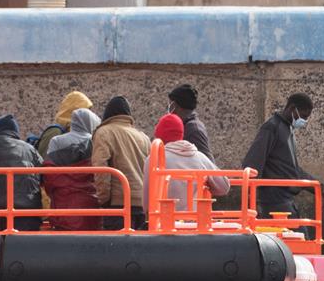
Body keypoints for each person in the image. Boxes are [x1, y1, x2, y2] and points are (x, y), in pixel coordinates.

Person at [241, 93, 324, 219]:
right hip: (273, 201)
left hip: (285, 199)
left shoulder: (288, 131)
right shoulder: (272, 128)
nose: (304, 121)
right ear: (292, 108)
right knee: (301, 234)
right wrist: (252, 203)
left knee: (301, 234)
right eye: (303, 116)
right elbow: (252, 164)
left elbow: (292, 169)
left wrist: (318, 187)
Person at [89, 95, 152, 230]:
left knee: (117, 249)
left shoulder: (104, 132)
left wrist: (103, 199)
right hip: (142, 205)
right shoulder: (143, 137)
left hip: (117, 204)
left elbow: (101, 169)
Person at [147, 112, 229, 216]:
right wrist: (207, 185)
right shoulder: (199, 157)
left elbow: (147, 201)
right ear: (181, 133)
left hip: (163, 221)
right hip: (196, 222)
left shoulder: (152, 159)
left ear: (159, 135)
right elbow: (224, 186)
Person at [41, 108, 101, 231]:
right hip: (91, 210)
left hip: (62, 209)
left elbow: (49, 176)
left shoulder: (56, 141)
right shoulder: (94, 141)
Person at [167, 85, 213, 162]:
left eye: (169, 104)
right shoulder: (187, 126)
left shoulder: (194, 129)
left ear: (174, 106)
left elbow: (208, 163)